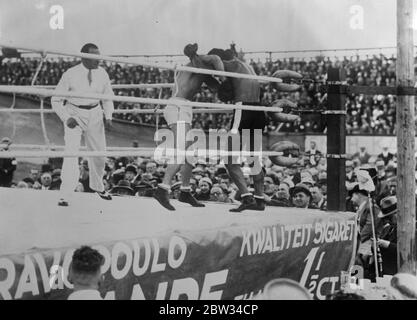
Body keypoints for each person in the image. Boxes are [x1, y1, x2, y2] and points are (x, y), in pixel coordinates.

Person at [209, 47, 301, 212]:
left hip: (243, 110)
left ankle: (246, 197)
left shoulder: (224, 64)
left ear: (217, 58)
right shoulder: (245, 66)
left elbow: (221, 89)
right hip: (258, 111)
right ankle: (259, 199)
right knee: (253, 158)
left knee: (229, 159)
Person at [153, 43, 226, 211]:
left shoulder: (202, 71)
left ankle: (185, 191)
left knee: (190, 151)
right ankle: (163, 188)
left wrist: (226, 85)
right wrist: (225, 76)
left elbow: (218, 90)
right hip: (178, 107)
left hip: (183, 107)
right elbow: (215, 59)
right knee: (182, 150)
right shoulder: (198, 62)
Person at [51, 43, 114, 206]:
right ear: (84, 56)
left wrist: (108, 116)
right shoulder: (70, 74)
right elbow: (56, 99)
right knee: (71, 153)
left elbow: (108, 97)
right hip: (74, 113)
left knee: (100, 155)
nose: (98, 60)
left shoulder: (103, 73)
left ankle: (98, 187)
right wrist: (66, 117)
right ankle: (65, 194)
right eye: (94, 57)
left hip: (95, 113)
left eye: (99, 56)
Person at [350, 184, 382, 280]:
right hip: (361, 243)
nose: (351, 199)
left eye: (352, 195)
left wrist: (356, 240)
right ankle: (355, 287)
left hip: (367, 244)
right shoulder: (362, 207)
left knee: (360, 266)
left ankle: (357, 288)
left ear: (358, 194)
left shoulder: (372, 207)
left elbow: (369, 228)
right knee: (355, 265)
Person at [376, 196, 398, 275]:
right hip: (385, 271)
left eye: (389, 217)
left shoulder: (408, 230)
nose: (386, 220)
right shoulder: (388, 228)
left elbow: (404, 250)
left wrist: (386, 244)